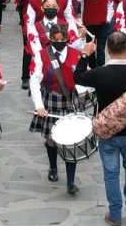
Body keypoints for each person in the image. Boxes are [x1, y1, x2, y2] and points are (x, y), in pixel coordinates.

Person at [74, 30, 126, 226]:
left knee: (111, 173)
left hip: (108, 132)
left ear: (106, 48)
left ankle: (115, 214)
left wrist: (85, 53)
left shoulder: (100, 74)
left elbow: (78, 77)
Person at [29, 18, 90, 194]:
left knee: (71, 141)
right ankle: (53, 167)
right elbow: (34, 81)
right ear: (50, 38)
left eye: (62, 39)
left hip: (71, 101)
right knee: (51, 138)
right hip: (51, 100)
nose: (59, 42)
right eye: (55, 39)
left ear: (67, 39)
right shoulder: (41, 55)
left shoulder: (76, 54)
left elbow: (84, 76)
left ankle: (71, 181)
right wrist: (39, 105)